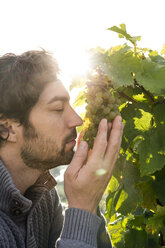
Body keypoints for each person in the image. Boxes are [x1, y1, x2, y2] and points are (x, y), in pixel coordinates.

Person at [0, 49, 124, 248]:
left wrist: (88, 201)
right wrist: (83, 205)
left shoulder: (42, 195)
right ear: (7, 128)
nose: (77, 120)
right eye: (58, 109)